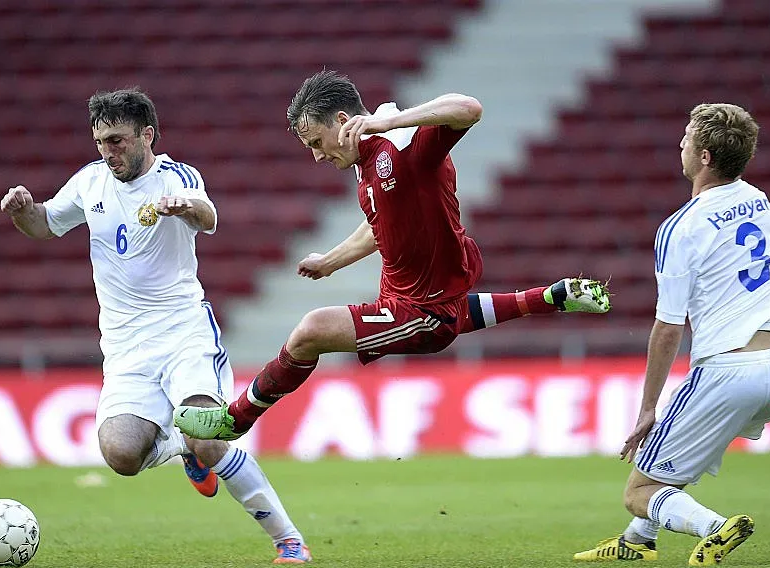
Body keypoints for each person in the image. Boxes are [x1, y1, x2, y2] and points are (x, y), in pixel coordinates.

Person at [173, 69, 611, 443]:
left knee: (310, 332)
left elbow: (469, 107)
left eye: (317, 140)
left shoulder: (405, 148)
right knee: (446, 310)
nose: (316, 155)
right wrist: (331, 261)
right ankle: (550, 297)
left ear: (344, 121)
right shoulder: (368, 165)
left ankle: (236, 419)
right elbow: (378, 225)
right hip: (420, 298)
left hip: (422, 310)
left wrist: (396, 120)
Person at [0, 88, 311, 564]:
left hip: (183, 331)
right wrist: (24, 211)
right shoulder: (90, 182)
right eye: (101, 141)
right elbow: (45, 224)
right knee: (121, 454)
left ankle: (288, 539)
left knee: (207, 436)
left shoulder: (176, 177)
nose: (109, 152)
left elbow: (208, 217)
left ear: (147, 135)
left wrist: (186, 206)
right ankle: (178, 449)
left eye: (118, 141)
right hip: (125, 347)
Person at [573, 103, 770, 566]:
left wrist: (648, 407)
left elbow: (668, 326)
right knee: (677, 458)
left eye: (687, 138)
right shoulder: (760, 201)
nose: (680, 144)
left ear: (706, 157)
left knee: (640, 489)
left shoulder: (682, 227)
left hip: (729, 370)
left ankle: (714, 528)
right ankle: (638, 541)